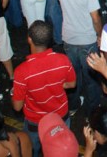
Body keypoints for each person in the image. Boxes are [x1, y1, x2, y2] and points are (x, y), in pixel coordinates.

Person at [12, 21, 75, 157]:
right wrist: (57, 84)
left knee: (33, 150)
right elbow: (71, 84)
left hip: (36, 122)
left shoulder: (22, 71)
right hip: (61, 117)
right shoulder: (63, 60)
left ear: (29, 39)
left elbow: (17, 106)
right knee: (60, 149)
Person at [55, 0, 102, 116]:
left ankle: (73, 105)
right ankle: (93, 110)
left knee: (73, 75)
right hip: (87, 39)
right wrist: (100, 35)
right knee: (91, 77)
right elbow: (96, 18)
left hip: (69, 39)